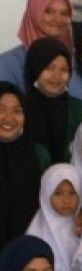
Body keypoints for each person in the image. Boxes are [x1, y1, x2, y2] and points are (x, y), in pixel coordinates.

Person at [0, 0, 82, 113]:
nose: (57, 19)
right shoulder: (8, 64)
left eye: (64, 13)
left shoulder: (71, 59)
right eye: (48, 11)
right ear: (34, 12)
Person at [26, 165, 82, 271]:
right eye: (58, 193)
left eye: (72, 193)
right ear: (46, 194)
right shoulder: (37, 231)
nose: (66, 200)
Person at [22, 38, 82, 164]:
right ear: (35, 68)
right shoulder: (19, 108)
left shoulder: (79, 109)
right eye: (49, 68)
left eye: (64, 70)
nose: (57, 76)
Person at [0, 83, 45, 245]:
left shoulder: (38, 154)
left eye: (17, 111)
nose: (9, 118)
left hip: (26, 257)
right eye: (1, 110)